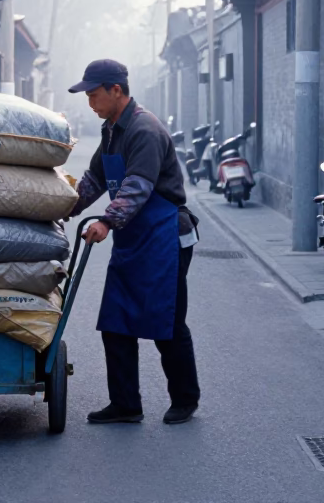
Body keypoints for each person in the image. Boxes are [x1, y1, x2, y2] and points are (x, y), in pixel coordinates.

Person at [66, 59, 201, 425]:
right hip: (133, 238)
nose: (90, 103)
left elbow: (139, 185)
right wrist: (63, 207)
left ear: (116, 90)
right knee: (116, 323)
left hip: (165, 237)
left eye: (94, 95)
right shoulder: (111, 130)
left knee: (167, 323)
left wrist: (108, 221)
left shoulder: (144, 129)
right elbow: (95, 179)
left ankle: (186, 399)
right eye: (88, 96)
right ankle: (126, 404)